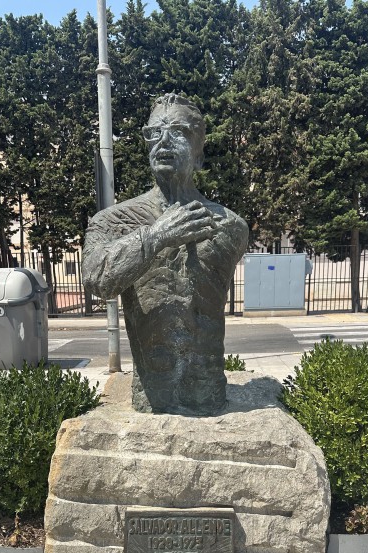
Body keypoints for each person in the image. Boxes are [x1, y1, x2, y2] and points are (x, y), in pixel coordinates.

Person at [82, 93, 248, 415]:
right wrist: (157, 236)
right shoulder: (114, 222)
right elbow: (96, 279)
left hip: (208, 393)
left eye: (178, 131)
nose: (164, 141)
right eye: (154, 132)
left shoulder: (231, 226)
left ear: (200, 152)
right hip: (150, 398)